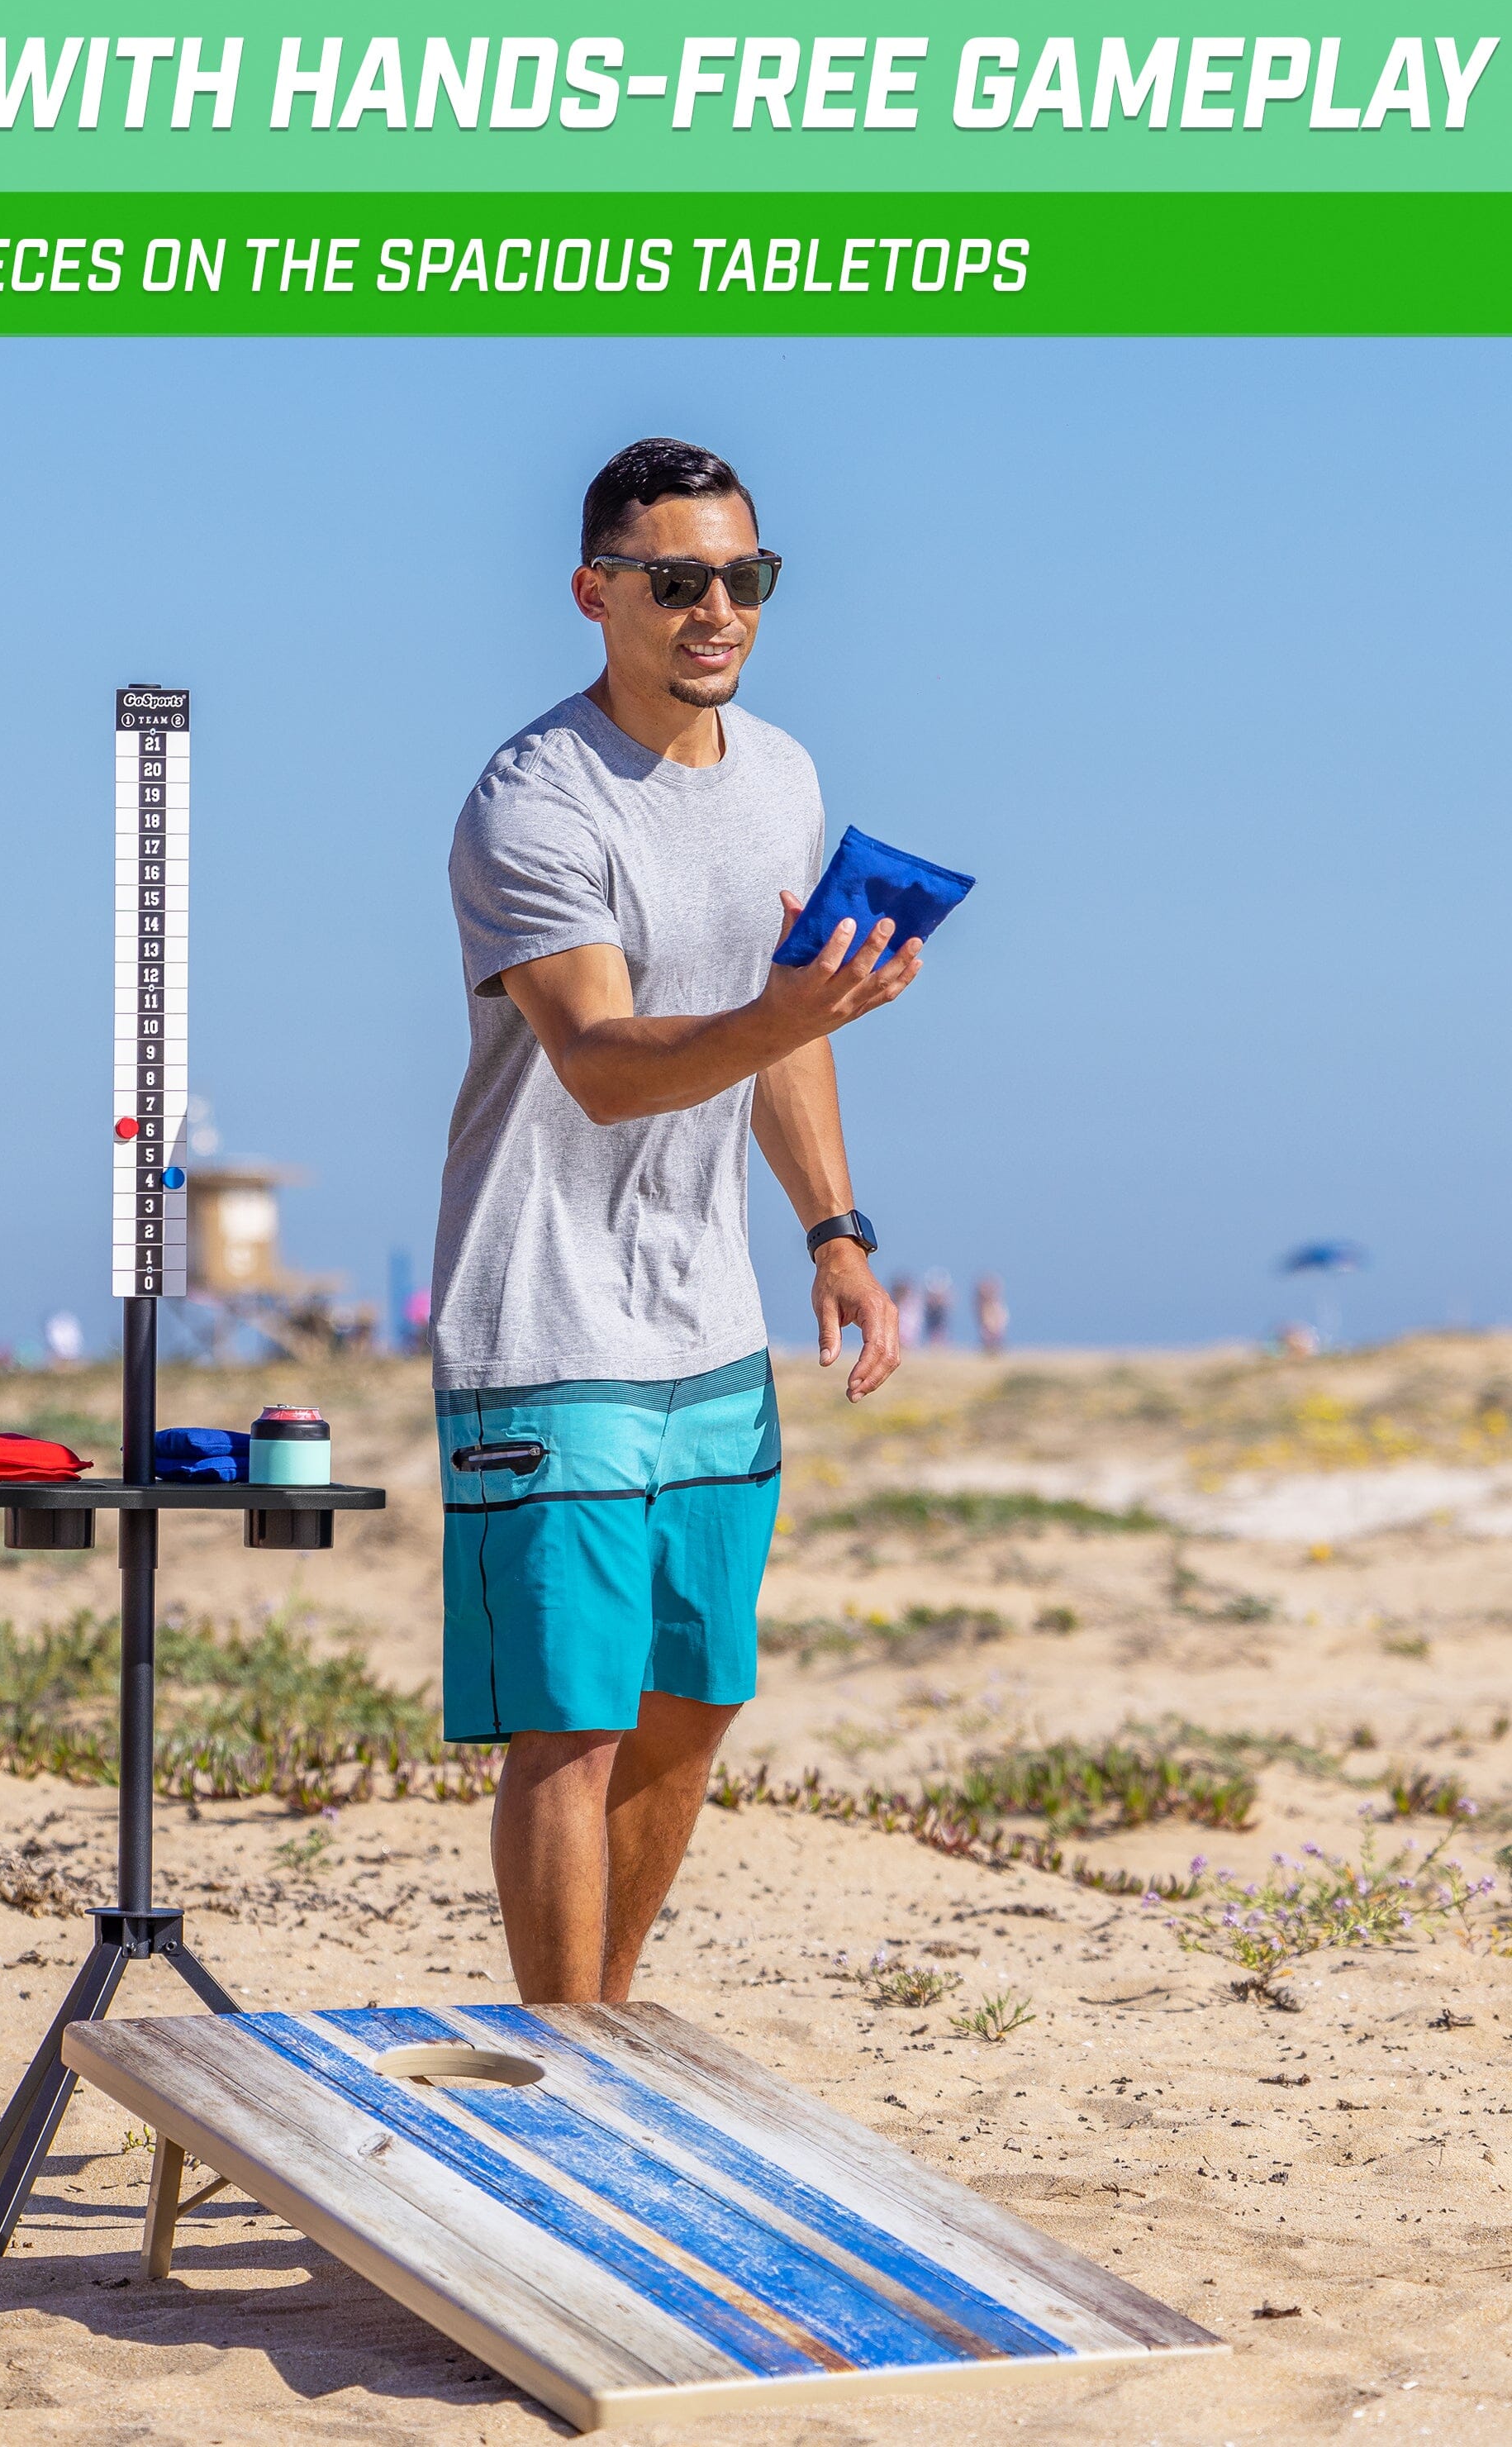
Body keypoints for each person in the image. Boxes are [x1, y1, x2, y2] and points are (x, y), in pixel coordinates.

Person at [431, 438, 917, 2006]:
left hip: (707, 1322)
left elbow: (788, 1040)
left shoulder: (783, 777)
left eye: (744, 579)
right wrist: (788, 1009)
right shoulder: (533, 800)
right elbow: (602, 1068)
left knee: (694, 1695)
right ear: (598, 594)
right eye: (678, 581)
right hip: (543, 1320)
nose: (718, 609)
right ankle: (561, 2076)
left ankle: (606, 2030)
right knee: (570, 1720)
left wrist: (833, 1230)